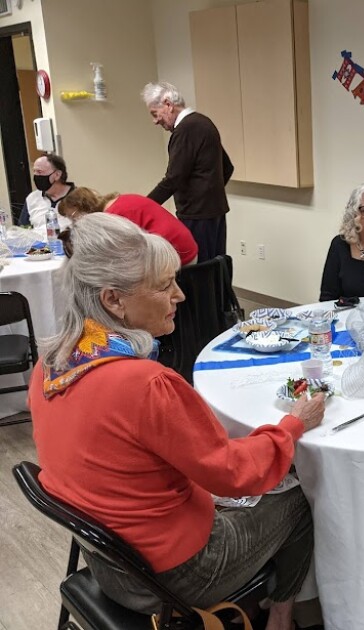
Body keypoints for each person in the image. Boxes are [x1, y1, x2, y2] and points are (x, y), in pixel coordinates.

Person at [29, 213, 324, 630]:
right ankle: (281, 617)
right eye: (165, 285)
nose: (180, 296)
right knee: (298, 497)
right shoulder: (145, 384)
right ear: (114, 300)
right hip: (170, 577)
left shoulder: (50, 364)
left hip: (109, 561)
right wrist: (293, 425)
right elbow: (234, 473)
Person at [142, 81, 233, 262]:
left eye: (155, 113)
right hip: (214, 213)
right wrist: (208, 191)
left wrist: (143, 207)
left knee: (200, 273)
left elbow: (173, 179)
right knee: (217, 269)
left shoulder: (186, 129)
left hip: (196, 217)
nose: (155, 121)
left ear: (168, 104)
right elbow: (227, 167)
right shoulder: (204, 123)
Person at [60, 187, 198, 265]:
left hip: (177, 257)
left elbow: (119, 256)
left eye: (73, 217)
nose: (75, 223)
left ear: (80, 208)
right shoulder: (120, 201)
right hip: (184, 249)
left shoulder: (111, 217)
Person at [18, 154, 74, 231]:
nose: (36, 175)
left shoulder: (80, 198)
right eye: (34, 171)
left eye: (40, 171)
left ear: (57, 175)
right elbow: (23, 230)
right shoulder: (32, 198)